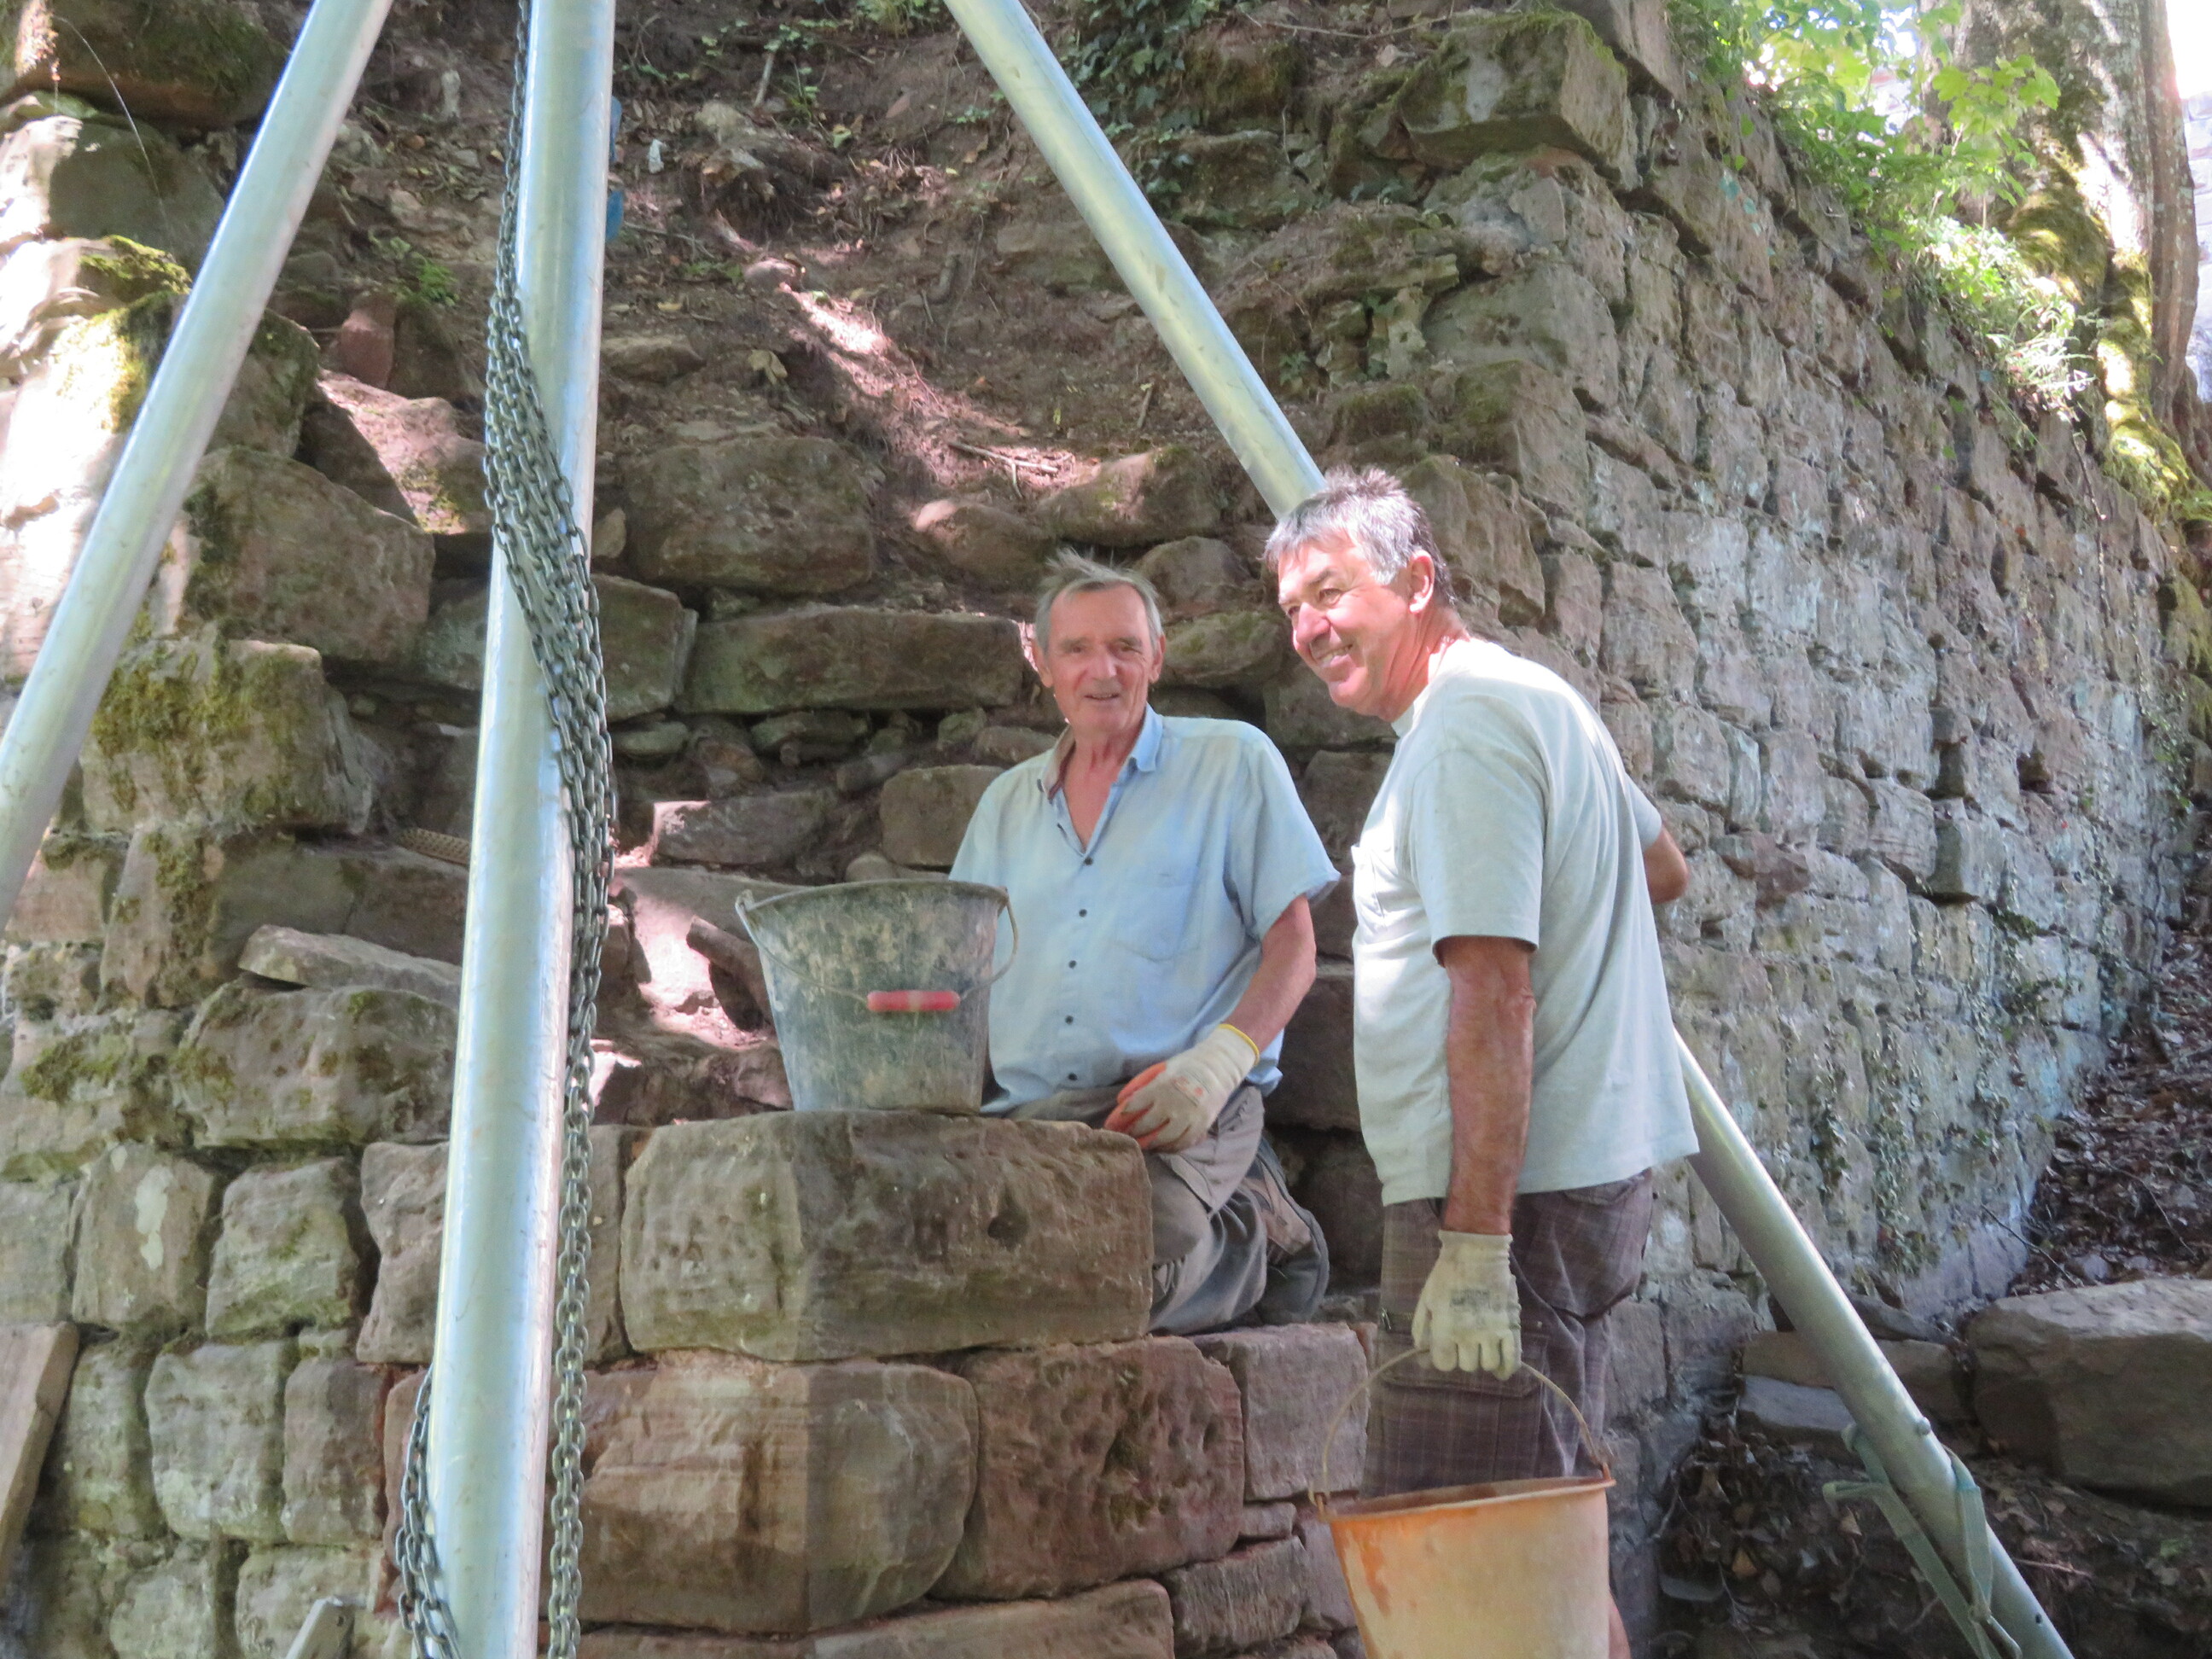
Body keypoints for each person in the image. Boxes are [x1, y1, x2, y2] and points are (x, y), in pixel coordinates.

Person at [1267, 469, 1696, 1658]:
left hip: (1507, 1203)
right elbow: (1661, 869)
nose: (1309, 628)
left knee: (1468, 1581)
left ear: (1416, 581)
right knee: (1536, 1554)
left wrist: (1474, 1251)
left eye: (1331, 592)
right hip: (1572, 1182)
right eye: (1292, 608)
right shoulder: (1538, 700)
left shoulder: (1463, 730)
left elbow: (1495, 994)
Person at [951, 550, 1340, 1332]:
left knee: (1119, 1278)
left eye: (1125, 647)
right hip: (1032, 1118)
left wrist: (1216, 1066)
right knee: (962, 1266)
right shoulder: (1004, 805)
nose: (1104, 671)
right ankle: (1236, 1213)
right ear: (1042, 661)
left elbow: (1295, 946)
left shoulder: (1231, 763)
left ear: (1157, 657)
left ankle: (1262, 1232)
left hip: (1177, 1109)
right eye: (1078, 649)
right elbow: (956, 971)